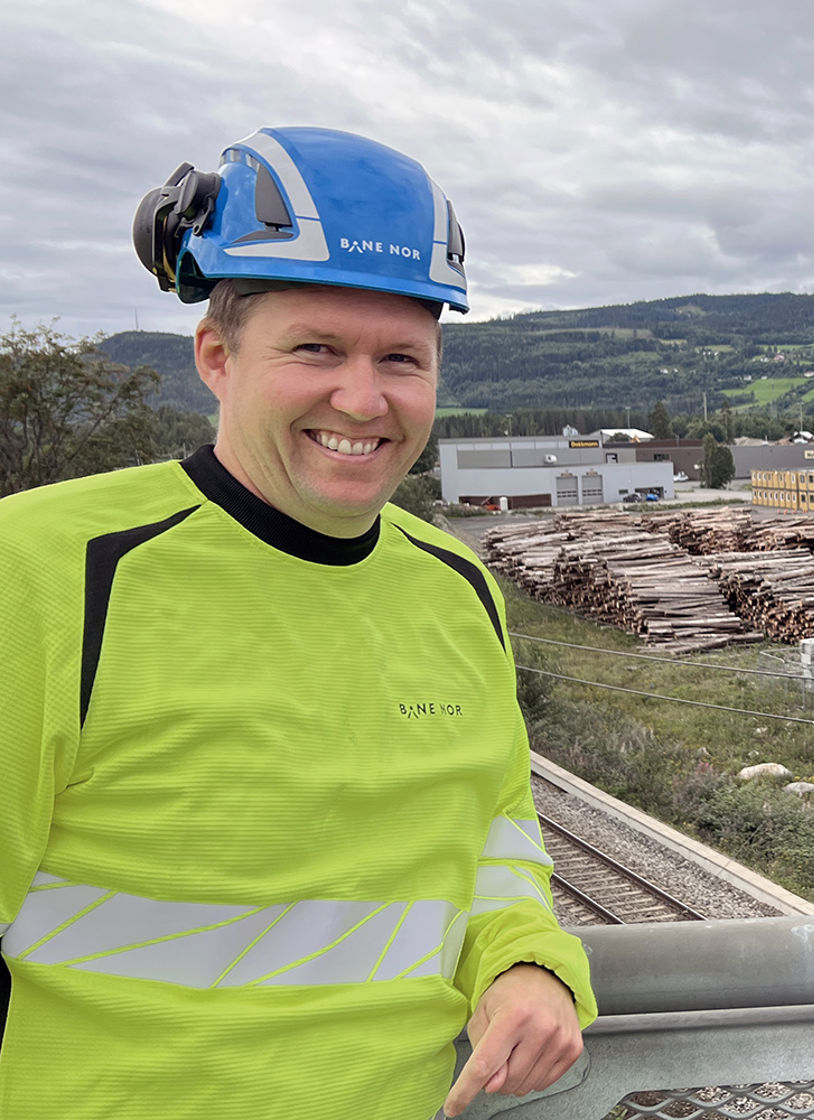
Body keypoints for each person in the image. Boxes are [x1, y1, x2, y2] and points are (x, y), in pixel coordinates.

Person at [0, 127, 595, 1118]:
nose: (362, 399)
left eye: (401, 357)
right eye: (316, 348)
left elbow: (494, 831)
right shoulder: (45, 573)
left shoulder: (459, 586)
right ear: (217, 356)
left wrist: (523, 960)